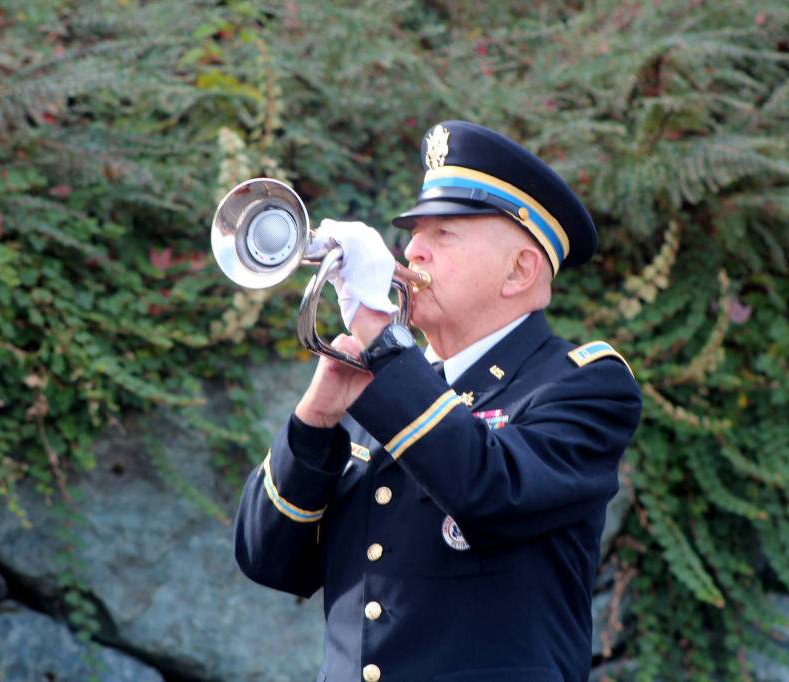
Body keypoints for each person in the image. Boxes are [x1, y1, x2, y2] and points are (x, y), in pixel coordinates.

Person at [234, 120, 642, 682]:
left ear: (519, 271)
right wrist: (317, 419)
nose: (413, 250)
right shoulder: (391, 386)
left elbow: (487, 491)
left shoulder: (581, 386)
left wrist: (380, 335)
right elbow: (269, 561)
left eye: (444, 234)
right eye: (414, 233)